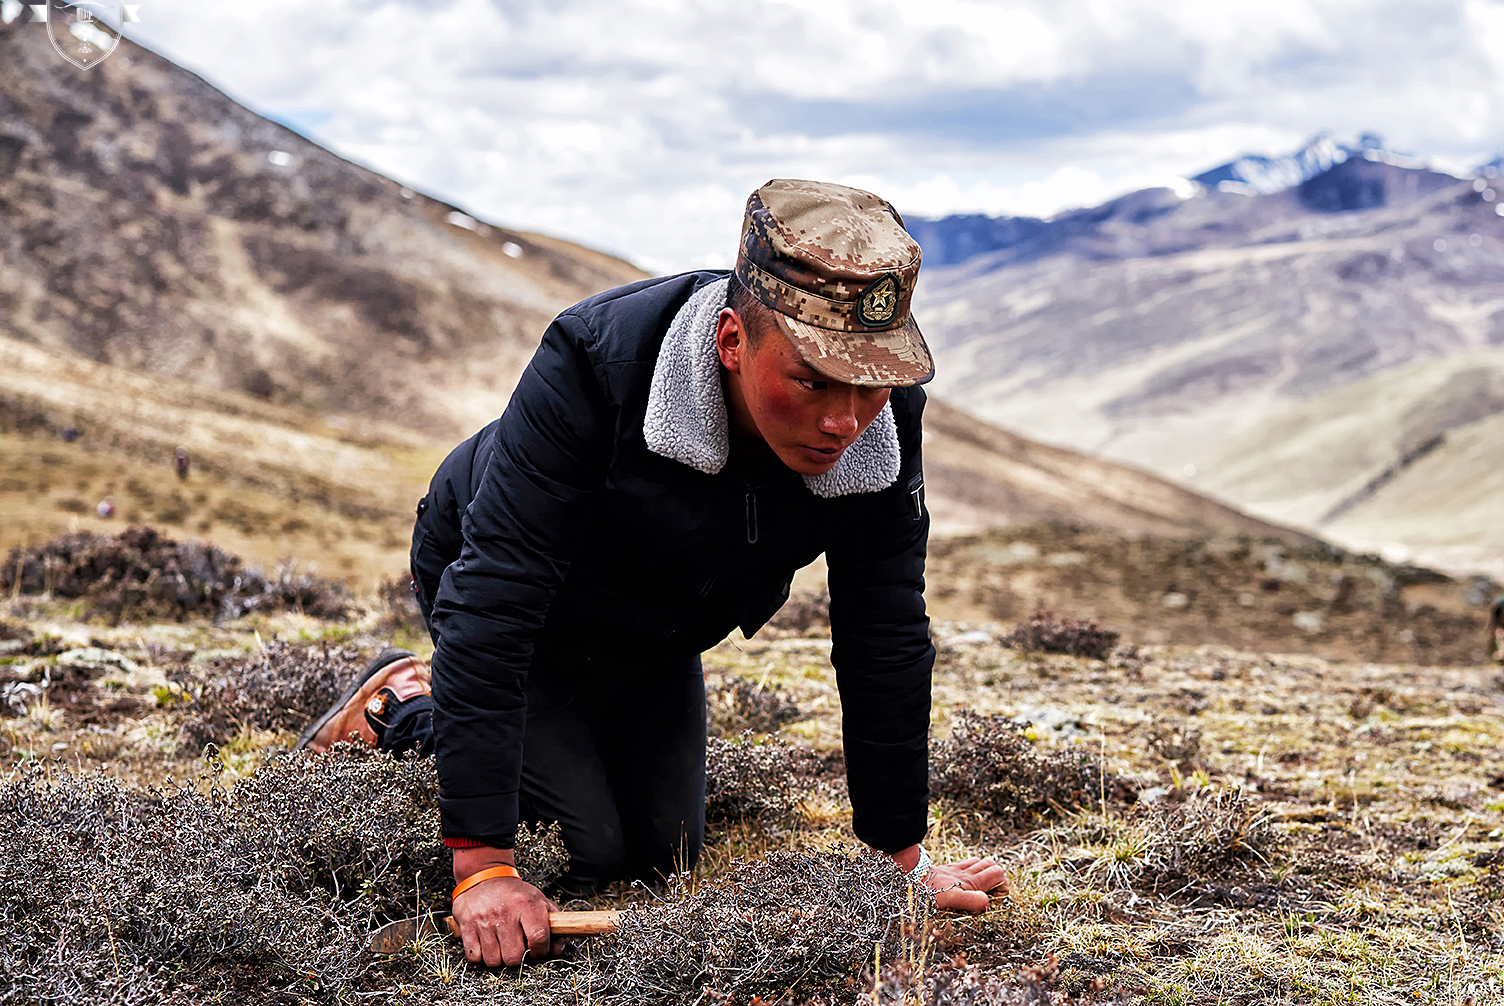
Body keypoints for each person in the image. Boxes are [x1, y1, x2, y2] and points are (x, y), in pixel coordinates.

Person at [297, 180, 1005, 968]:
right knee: (590, 851)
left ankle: (560, 730)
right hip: (521, 595)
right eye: (810, 380)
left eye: (870, 385)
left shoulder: (884, 421)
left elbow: (885, 634)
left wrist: (896, 869)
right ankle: (401, 708)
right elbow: (493, 601)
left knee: (662, 858)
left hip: (658, 622)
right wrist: (484, 865)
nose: (844, 420)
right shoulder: (594, 363)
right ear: (732, 341)